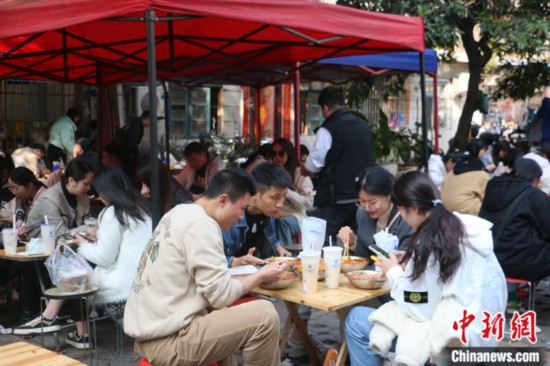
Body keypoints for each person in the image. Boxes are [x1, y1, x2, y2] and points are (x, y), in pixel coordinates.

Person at [124, 168, 289, 366]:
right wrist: (260, 275)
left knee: (224, 315)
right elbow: (220, 295)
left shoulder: (180, 212)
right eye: (242, 209)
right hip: (167, 342)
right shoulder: (201, 224)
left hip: (154, 335)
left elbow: (214, 292)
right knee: (265, 315)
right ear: (223, 200)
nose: (240, 217)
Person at [345, 172, 506, 366]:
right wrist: (410, 259)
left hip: (456, 341)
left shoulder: (430, 242)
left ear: (413, 208)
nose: (404, 218)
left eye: (402, 211)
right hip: (486, 331)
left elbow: (418, 304)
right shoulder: (463, 226)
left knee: (355, 320)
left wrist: (394, 272)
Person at [14, 165, 152, 350]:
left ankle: (57, 321)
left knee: (75, 273)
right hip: (145, 276)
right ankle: (60, 323)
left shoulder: (113, 212)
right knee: (81, 271)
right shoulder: (142, 208)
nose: (96, 195)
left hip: (124, 281)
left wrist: (81, 244)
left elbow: (103, 258)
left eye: (98, 191)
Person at [300, 85, 375, 246]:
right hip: (361, 197)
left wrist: (304, 167)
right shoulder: (363, 125)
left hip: (335, 199)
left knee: (323, 243)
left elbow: (313, 165)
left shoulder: (327, 129)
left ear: (325, 108)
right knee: (356, 243)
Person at [479, 158, 550, 282]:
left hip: (491, 259)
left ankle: (513, 295)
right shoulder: (533, 195)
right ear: (533, 179)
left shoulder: (492, 188)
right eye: (538, 181)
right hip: (522, 265)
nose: (539, 185)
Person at [223, 163, 293, 266]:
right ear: (255, 193)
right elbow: (211, 260)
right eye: (275, 197)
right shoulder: (231, 216)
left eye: (284, 196)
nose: (280, 204)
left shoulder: (268, 212)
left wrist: (278, 247)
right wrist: (234, 262)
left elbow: (271, 236)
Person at [338, 167, 414, 259]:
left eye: (372, 202)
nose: (367, 207)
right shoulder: (362, 213)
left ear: (389, 195)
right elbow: (364, 256)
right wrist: (352, 242)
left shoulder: (406, 218)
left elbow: (405, 260)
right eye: (362, 201)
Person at [24, 160, 93, 238]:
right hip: (40, 245)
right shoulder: (50, 199)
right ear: (72, 181)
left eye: (90, 183)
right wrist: (88, 228)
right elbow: (60, 234)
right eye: (86, 183)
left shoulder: (82, 196)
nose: (89, 188)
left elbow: (87, 222)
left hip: (70, 244)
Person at [271, 138, 313, 244]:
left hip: (296, 215)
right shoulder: (270, 173)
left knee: (282, 223)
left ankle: (284, 256)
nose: (277, 157)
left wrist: (287, 192)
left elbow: (308, 203)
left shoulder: (299, 173)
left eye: (281, 153)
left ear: (288, 154)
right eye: (274, 153)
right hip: (273, 214)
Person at [440, 140, 490, 215]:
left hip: (444, 210)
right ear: (481, 150)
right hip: (467, 214)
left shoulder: (452, 171)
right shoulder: (482, 175)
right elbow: (488, 199)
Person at [4, 167, 47, 231]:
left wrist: (16, 221)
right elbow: (6, 210)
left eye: (16, 188)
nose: (13, 192)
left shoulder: (45, 199)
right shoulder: (24, 197)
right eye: (10, 188)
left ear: (30, 185)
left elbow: (42, 226)